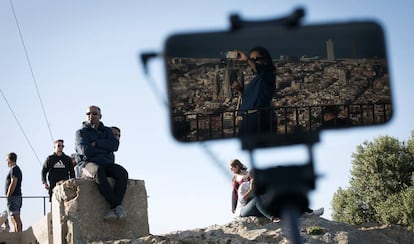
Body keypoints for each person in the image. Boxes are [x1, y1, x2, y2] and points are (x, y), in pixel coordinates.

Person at [75, 105, 129, 221]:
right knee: (98, 171)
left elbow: (115, 145)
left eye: (94, 114)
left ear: (100, 116)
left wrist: (96, 143)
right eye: (88, 114)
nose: (91, 116)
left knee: (122, 172)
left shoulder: (107, 131)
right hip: (88, 164)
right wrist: (104, 146)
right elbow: (86, 151)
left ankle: (114, 209)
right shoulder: (80, 133)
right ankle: (116, 206)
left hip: (106, 163)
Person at [231, 47, 276, 136]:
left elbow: (259, 70)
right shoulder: (257, 79)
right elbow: (249, 99)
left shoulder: (267, 75)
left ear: (266, 60)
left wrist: (246, 59)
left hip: (258, 117)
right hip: (250, 117)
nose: (254, 61)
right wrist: (240, 90)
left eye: (257, 59)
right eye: (252, 59)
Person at [5, 152, 23, 232]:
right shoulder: (16, 169)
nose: (6, 162)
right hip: (15, 196)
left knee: (15, 218)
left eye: (7, 160)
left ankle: (18, 236)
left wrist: (8, 194)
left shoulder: (14, 169)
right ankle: (17, 233)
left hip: (14, 197)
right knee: (13, 218)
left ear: (10, 160)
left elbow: (13, 182)